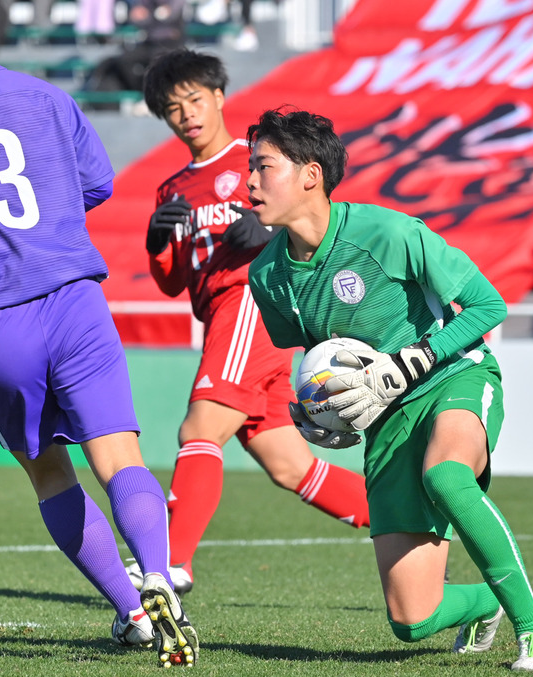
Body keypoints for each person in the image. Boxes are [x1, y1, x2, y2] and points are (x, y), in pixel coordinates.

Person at [0, 0, 197, 668]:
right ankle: (162, 575)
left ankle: (133, 613)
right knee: (122, 460)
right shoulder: (47, 96)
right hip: (75, 299)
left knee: (52, 473)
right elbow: (98, 184)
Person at [247, 108, 533, 672]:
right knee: (412, 621)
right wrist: (317, 411)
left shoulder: (389, 232)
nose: (249, 182)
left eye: (262, 168)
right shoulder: (266, 275)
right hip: (385, 418)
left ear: (310, 176)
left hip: (452, 375)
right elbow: (315, 358)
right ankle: (486, 600)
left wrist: (412, 360)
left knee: (446, 475)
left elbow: (489, 306)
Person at [129, 50, 371, 595]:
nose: (186, 113)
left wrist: (272, 232)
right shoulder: (172, 190)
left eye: (194, 99)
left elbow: (316, 218)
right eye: (172, 108)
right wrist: (156, 244)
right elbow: (172, 283)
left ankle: (171, 565)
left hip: (250, 305)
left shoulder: (258, 160)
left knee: (199, 430)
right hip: (218, 316)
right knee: (290, 467)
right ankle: (410, 524)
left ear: (218, 97)